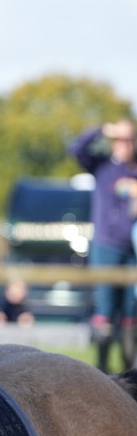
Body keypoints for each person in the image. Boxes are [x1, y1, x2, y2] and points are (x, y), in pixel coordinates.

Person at [70, 120, 137, 372]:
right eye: (119, 139)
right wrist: (102, 130)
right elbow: (77, 149)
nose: (124, 145)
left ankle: (130, 369)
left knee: (131, 309)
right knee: (106, 308)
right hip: (107, 244)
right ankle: (103, 367)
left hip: (132, 247)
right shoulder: (103, 166)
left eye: (128, 139)